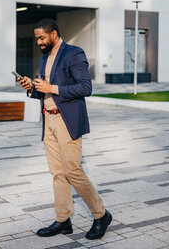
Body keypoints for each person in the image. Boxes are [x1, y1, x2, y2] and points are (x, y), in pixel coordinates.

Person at [18, 18, 112, 240]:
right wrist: (32, 88)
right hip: (48, 121)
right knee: (57, 173)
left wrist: (52, 87)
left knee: (73, 171)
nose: (38, 42)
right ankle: (63, 220)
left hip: (67, 121)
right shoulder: (44, 59)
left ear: (53, 34)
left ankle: (101, 215)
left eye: (41, 37)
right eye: (36, 38)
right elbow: (45, 90)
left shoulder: (73, 53)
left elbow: (85, 87)